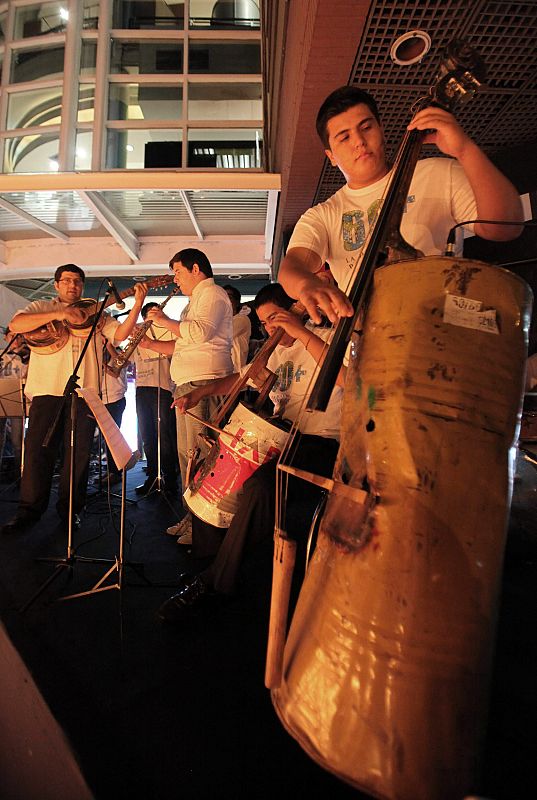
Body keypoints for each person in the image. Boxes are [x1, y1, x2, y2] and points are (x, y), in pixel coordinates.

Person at [157, 282, 345, 623]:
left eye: (276, 318)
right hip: (279, 439)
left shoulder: (330, 339)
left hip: (319, 443)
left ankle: (216, 582)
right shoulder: (276, 350)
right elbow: (240, 378)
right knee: (213, 478)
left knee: (260, 486)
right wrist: (200, 394)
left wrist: (301, 332)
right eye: (267, 323)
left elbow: (347, 376)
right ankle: (213, 563)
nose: (272, 329)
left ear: (297, 309)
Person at [277, 85, 523, 322]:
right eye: (344, 137)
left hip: (442, 331)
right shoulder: (323, 215)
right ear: (331, 156)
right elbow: (293, 266)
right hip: (371, 347)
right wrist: (305, 284)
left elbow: (505, 226)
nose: (359, 141)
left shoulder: (436, 173)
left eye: (366, 127)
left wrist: (465, 150)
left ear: (381, 129)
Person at [1, 265, 147, 535]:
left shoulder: (97, 313)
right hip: (47, 391)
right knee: (37, 452)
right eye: (66, 281)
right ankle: (28, 511)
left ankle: (70, 511)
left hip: (85, 393)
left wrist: (138, 303)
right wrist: (60, 312)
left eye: (78, 281)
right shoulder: (39, 307)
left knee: (79, 455)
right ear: (56, 285)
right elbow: (16, 324)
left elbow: (121, 334)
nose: (72, 285)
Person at [140, 248, 233, 541]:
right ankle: (191, 517)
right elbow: (183, 345)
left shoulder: (213, 294)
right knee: (188, 455)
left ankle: (202, 526)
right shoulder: (195, 302)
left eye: (178, 272)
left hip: (203, 385)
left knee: (200, 456)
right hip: (188, 384)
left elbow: (200, 333)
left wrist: (163, 320)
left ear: (196, 269)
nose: (175, 280)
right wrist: (148, 344)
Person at [133, 302, 178, 496]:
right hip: (142, 388)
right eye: (151, 313)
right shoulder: (136, 333)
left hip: (163, 387)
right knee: (147, 435)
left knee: (164, 436)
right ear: (144, 317)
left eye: (158, 312)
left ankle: (169, 478)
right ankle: (152, 476)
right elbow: (126, 360)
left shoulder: (169, 330)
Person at [99, 340, 129, 486]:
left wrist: (110, 346)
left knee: (113, 439)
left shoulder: (118, 354)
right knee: (107, 439)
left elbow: (117, 370)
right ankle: (111, 470)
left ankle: (116, 472)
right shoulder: (101, 355)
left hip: (115, 400)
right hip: (103, 400)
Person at [223, 284, 252, 371]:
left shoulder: (242, 319)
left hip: (235, 374)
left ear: (236, 302)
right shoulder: (217, 323)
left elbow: (222, 335)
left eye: (229, 297)